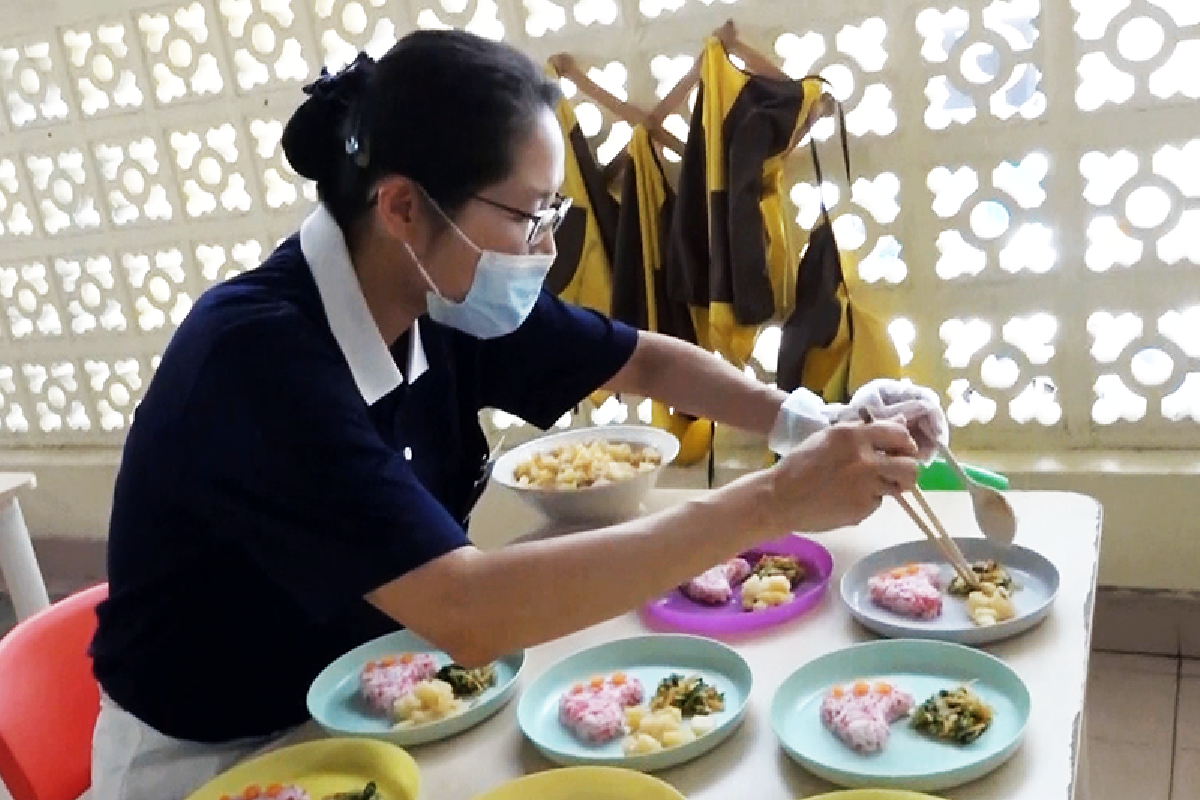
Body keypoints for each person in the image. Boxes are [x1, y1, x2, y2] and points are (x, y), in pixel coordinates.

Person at [87, 30, 946, 800]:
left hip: (379, 695)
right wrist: (775, 502)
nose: (546, 247)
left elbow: (639, 356)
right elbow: (472, 612)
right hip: (222, 755)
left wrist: (806, 418)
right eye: (531, 214)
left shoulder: (434, 290)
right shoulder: (257, 361)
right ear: (402, 206)